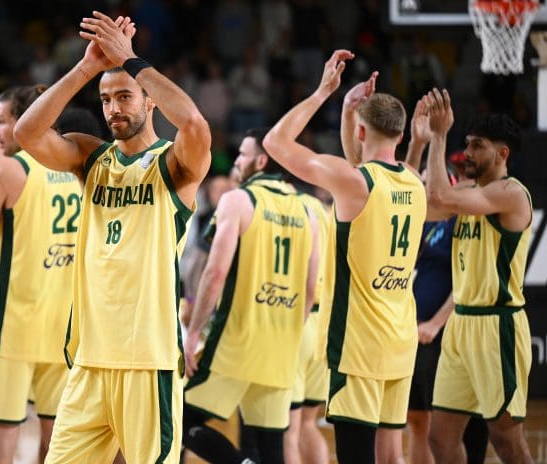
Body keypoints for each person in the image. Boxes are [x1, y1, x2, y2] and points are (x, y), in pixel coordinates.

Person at [13, 12, 211, 463]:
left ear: (150, 101)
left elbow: (196, 126)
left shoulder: (174, 165)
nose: (114, 109)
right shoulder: (90, 156)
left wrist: (133, 61)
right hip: (90, 356)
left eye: (125, 96)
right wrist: (87, 70)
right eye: (106, 100)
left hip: (148, 358)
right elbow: (26, 134)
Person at [263, 50, 427, 464]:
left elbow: (275, 143)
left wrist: (324, 93)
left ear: (359, 132)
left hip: (359, 345)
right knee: (391, 456)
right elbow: (358, 173)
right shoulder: (414, 182)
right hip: (400, 340)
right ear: (402, 136)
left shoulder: (355, 184)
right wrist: (350, 115)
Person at [182, 128, 318, 464]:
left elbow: (215, 273)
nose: (237, 161)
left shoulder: (238, 199)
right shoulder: (308, 211)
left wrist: (194, 332)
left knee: (175, 419)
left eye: (243, 154)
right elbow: (310, 289)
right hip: (282, 345)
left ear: (261, 160)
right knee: (271, 447)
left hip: (238, 339)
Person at [0, 85, 80, 464]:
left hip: (15, 325)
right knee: (57, 440)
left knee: (1, 435)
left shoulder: (7, 168)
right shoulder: (76, 165)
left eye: (1, 121)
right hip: (63, 324)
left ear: (26, 121)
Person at [423, 89, 534, 463]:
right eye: (466, 143)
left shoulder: (511, 194)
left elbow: (440, 197)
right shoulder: (470, 191)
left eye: (478, 146)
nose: (467, 152)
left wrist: (439, 137)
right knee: (440, 439)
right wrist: (417, 144)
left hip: (496, 326)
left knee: (506, 441)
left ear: (502, 154)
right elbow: (427, 207)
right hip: (462, 324)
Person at [404, 99, 489, 464]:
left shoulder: (457, 219)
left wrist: (435, 324)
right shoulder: (417, 221)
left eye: (427, 183)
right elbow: (402, 188)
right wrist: (418, 142)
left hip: (441, 334)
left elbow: (467, 280)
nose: (422, 190)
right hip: (409, 332)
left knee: (452, 425)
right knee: (415, 422)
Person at [284, 189, 330, 464]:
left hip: (298, 318)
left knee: (288, 429)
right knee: (308, 423)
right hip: (322, 322)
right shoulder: (327, 211)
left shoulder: (290, 208)